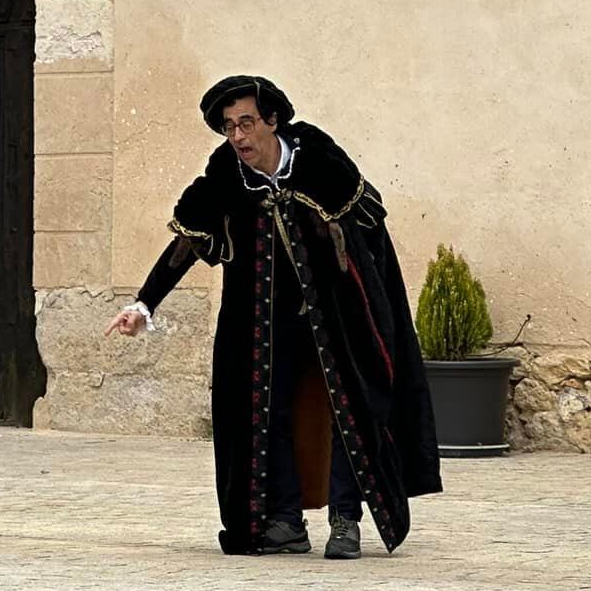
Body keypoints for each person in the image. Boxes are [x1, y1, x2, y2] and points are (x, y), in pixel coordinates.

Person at [108, 75, 441, 558]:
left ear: (272, 120)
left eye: (246, 123)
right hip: (263, 320)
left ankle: (345, 520)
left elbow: (369, 230)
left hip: (336, 316)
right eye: (228, 127)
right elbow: (188, 240)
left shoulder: (318, 158)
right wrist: (144, 303)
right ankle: (285, 519)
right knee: (267, 407)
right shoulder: (227, 172)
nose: (238, 137)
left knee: (346, 404)